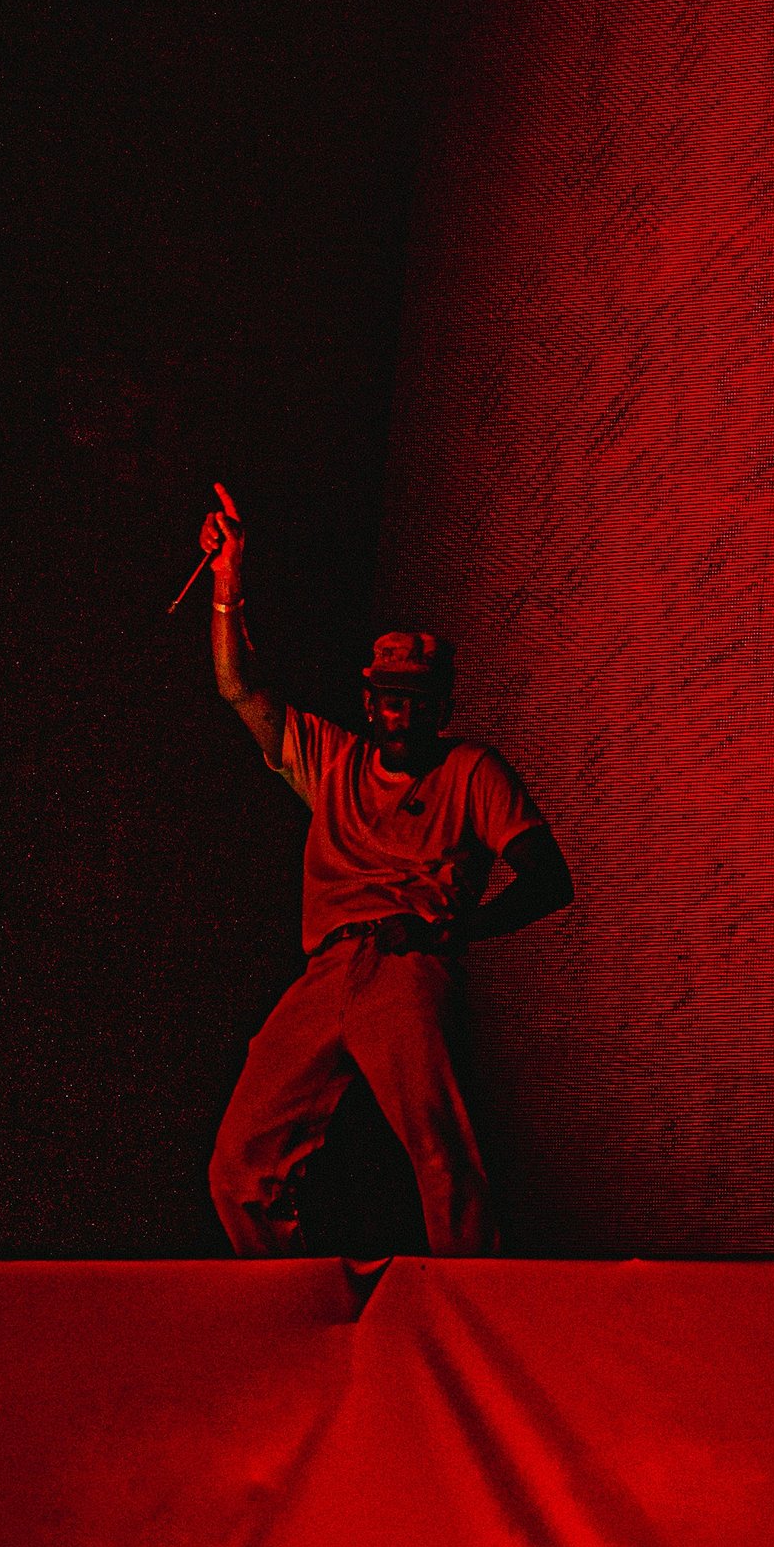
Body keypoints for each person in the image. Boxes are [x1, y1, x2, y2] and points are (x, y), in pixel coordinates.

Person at [201, 485, 573, 1257]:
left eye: (417, 702)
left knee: (441, 1153)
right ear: (368, 703)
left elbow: (548, 877)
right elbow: (240, 688)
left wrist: (455, 925)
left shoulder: (471, 770)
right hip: (325, 967)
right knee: (239, 1163)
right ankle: (297, 1306)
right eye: (388, 701)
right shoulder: (334, 760)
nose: (400, 717)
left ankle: (470, 1309)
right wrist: (229, 585)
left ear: (442, 708)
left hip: (406, 962)